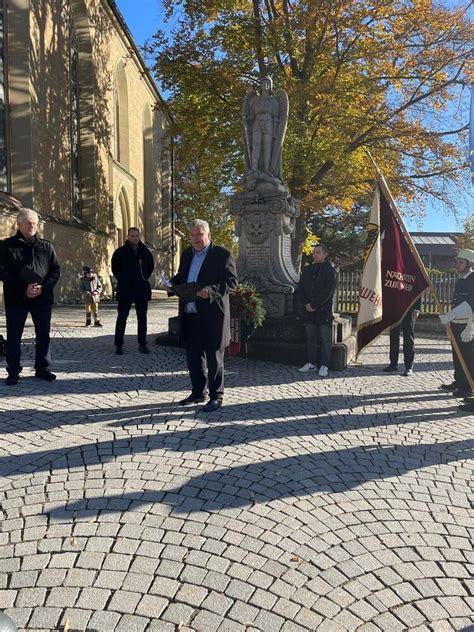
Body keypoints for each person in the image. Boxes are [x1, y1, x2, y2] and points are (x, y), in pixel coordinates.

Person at [171, 219, 238, 412]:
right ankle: (198, 392)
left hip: (212, 314)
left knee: (214, 356)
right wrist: (170, 285)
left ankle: (216, 396)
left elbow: (232, 282)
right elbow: (181, 277)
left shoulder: (222, 254)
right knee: (193, 356)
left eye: (200, 234)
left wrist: (211, 291)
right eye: (192, 235)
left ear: (208, 234)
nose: (196, 238)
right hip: (190, 313)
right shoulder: (186, 255)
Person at [0, 208, 60, 385]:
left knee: (43, 333)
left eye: (35, 223)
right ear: (19, 224)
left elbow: (55, 271)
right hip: (16, 298)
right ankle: (13, 371)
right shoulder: (6, 245)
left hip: (42, 298)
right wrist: (22, 288)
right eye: (28, 223)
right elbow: (2, 272)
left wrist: (42, 288)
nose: (32, 226)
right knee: (14, 335)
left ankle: (43, 368)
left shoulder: (46, 246)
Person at [111, 227, 154, 355]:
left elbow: (150, 267)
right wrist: (123, 278)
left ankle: (142, 344)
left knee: (142, 319)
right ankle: (119, 345)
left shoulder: (145, 252)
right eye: (132, 236)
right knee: (122, 317)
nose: (135, 238)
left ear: (139, 237)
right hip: (125, 289)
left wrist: (144, 276)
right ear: (128, 236)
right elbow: (115, 268)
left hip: (141, 289)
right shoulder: (120, 252)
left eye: (136, 236)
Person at [297, 244, 336, 377]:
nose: (315, 254)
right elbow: (300, 288)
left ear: (325, 254)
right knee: (310, 337)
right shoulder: (308, 270)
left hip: (323, 310)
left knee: (325, 339)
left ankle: (324, 365)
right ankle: (311, 363)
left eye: (318, 252)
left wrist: (314, 304)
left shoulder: (330, 271)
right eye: (314, 252)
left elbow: (328, 292)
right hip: (308, 310)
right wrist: (306, 303)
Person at [439, 248, 473, 398]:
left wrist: (470, 326)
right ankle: (459, 381)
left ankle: (468, 386)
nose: (457, 265)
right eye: (457, 262)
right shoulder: (462, 279)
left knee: (468, 356)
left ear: (469, 263)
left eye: (461, 262)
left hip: (468, 325)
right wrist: (451, 317)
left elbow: (472, 303)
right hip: (456, 323)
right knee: (457, 355)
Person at [383, 298, 421, 376]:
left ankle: (409, 367)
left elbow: (419, 287)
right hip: (395, 306)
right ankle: (393, 364)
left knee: (408, 337)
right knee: (393, 336)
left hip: (409, 306)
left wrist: (417, 308)